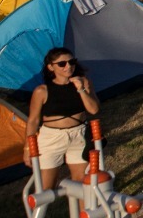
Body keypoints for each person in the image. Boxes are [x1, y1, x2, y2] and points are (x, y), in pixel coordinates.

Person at [26, 48, 101, 191]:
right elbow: (33, 121)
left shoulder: (83, 82)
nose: (68, 66)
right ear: (50, 67)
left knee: (82, 184)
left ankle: (82, 213)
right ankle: (37, 213)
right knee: (46, 188)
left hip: (78, 135)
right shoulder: (42, 91)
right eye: (62, 64)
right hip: (52, 138)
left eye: (71, 62)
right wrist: (27, 148)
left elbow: (94, 110)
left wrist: (80, 89)